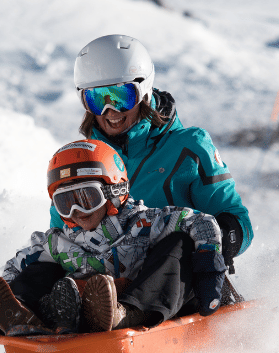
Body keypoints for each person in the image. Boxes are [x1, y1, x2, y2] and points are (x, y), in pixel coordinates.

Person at [0, 139, 227, 338]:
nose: (76, 212)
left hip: (163, 304)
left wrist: (209, 266)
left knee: (178, 243)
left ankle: (129, 313)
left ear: (115, 191)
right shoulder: (60, 242)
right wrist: (8, 294)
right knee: (41, 267)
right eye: (65, 202)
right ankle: (22, 315)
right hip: (95, 314)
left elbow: (203, 222)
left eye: (87, 198)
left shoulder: (145, 223)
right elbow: (15, 266)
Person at [55, 34, 253, 273]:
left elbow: (236, 219)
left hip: (178, 277)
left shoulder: (188, 148)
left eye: (121, 96)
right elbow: (62, 232)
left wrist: (215, 242)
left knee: (172, 245)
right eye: (97, 99)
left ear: (143, 92)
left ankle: (129, 308)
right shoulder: (82, 162)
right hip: (103, 282)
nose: (110, 110)